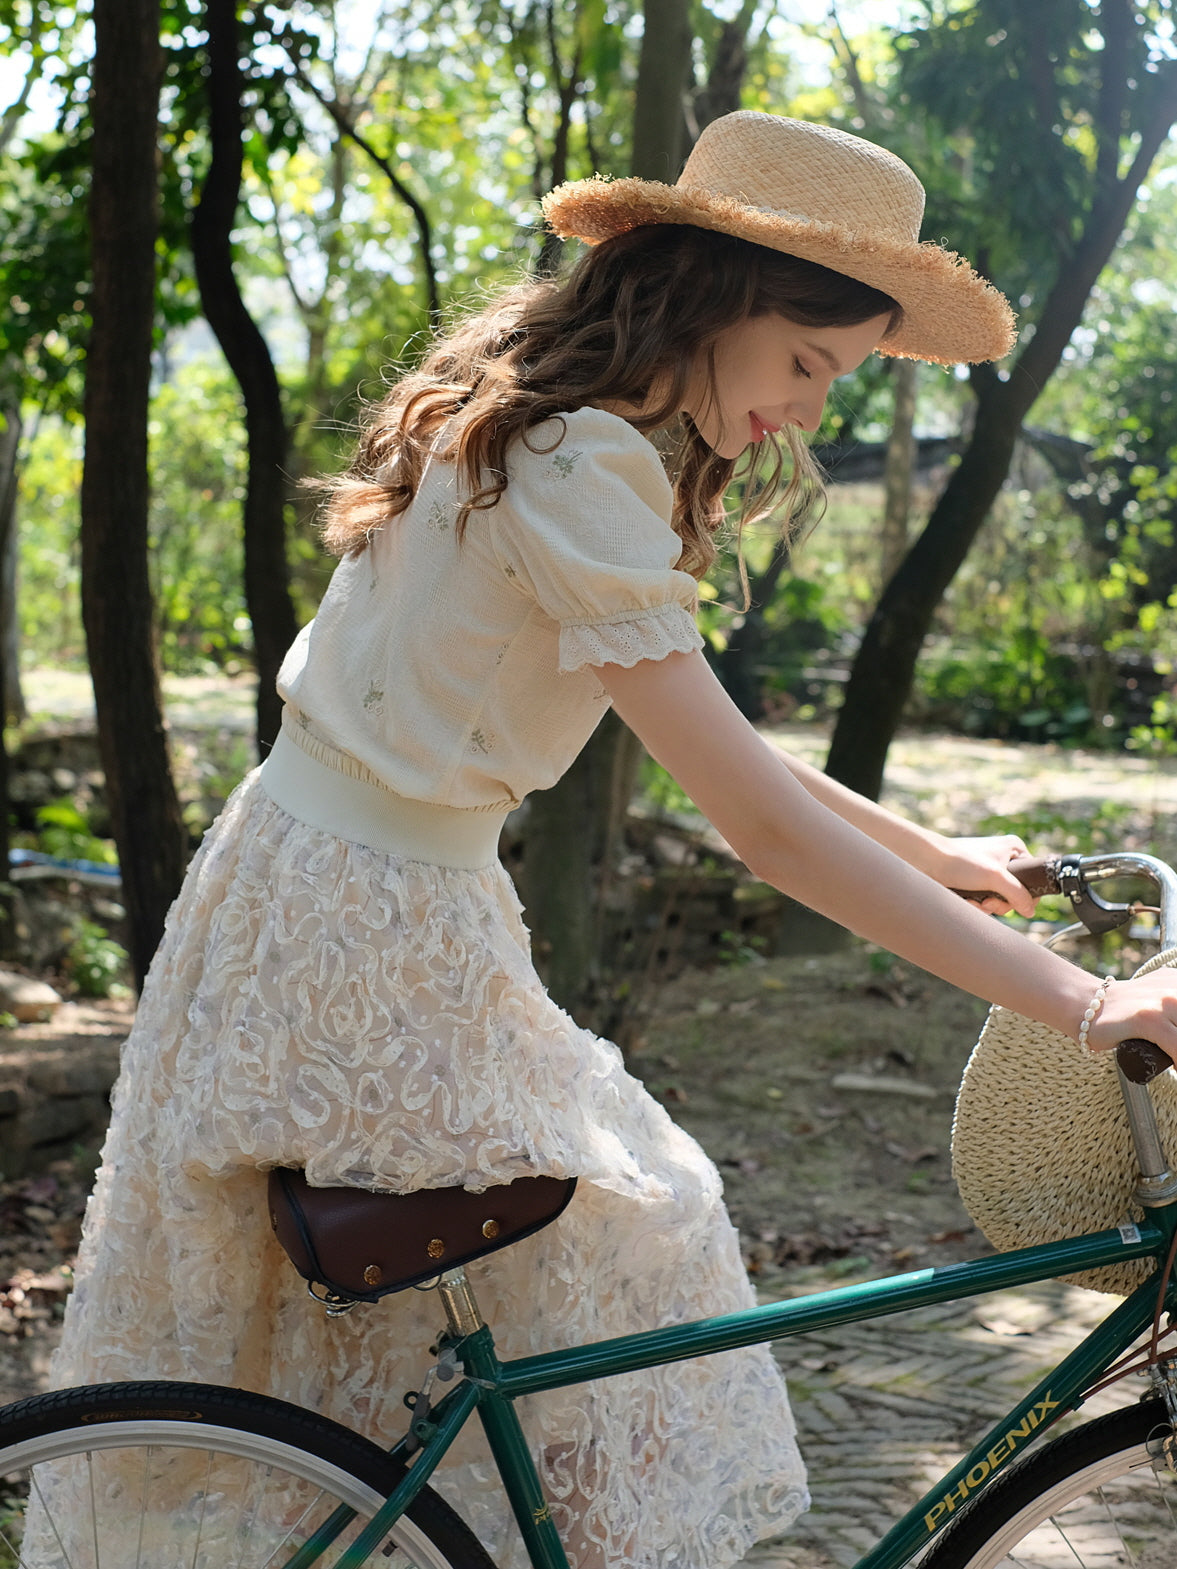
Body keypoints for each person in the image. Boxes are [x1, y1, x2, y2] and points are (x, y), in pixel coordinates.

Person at [39, 109, 1177, 1569]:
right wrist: (1086, 1003)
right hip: (379, 938)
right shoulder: (585, 468)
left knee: (478, 1318)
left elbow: (725, 748)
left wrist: (938, 850)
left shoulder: (529, 423)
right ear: (712, 295)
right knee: (658, 1228)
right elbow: (754, 821)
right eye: (804, 364)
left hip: (304, 891)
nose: (805, 412)